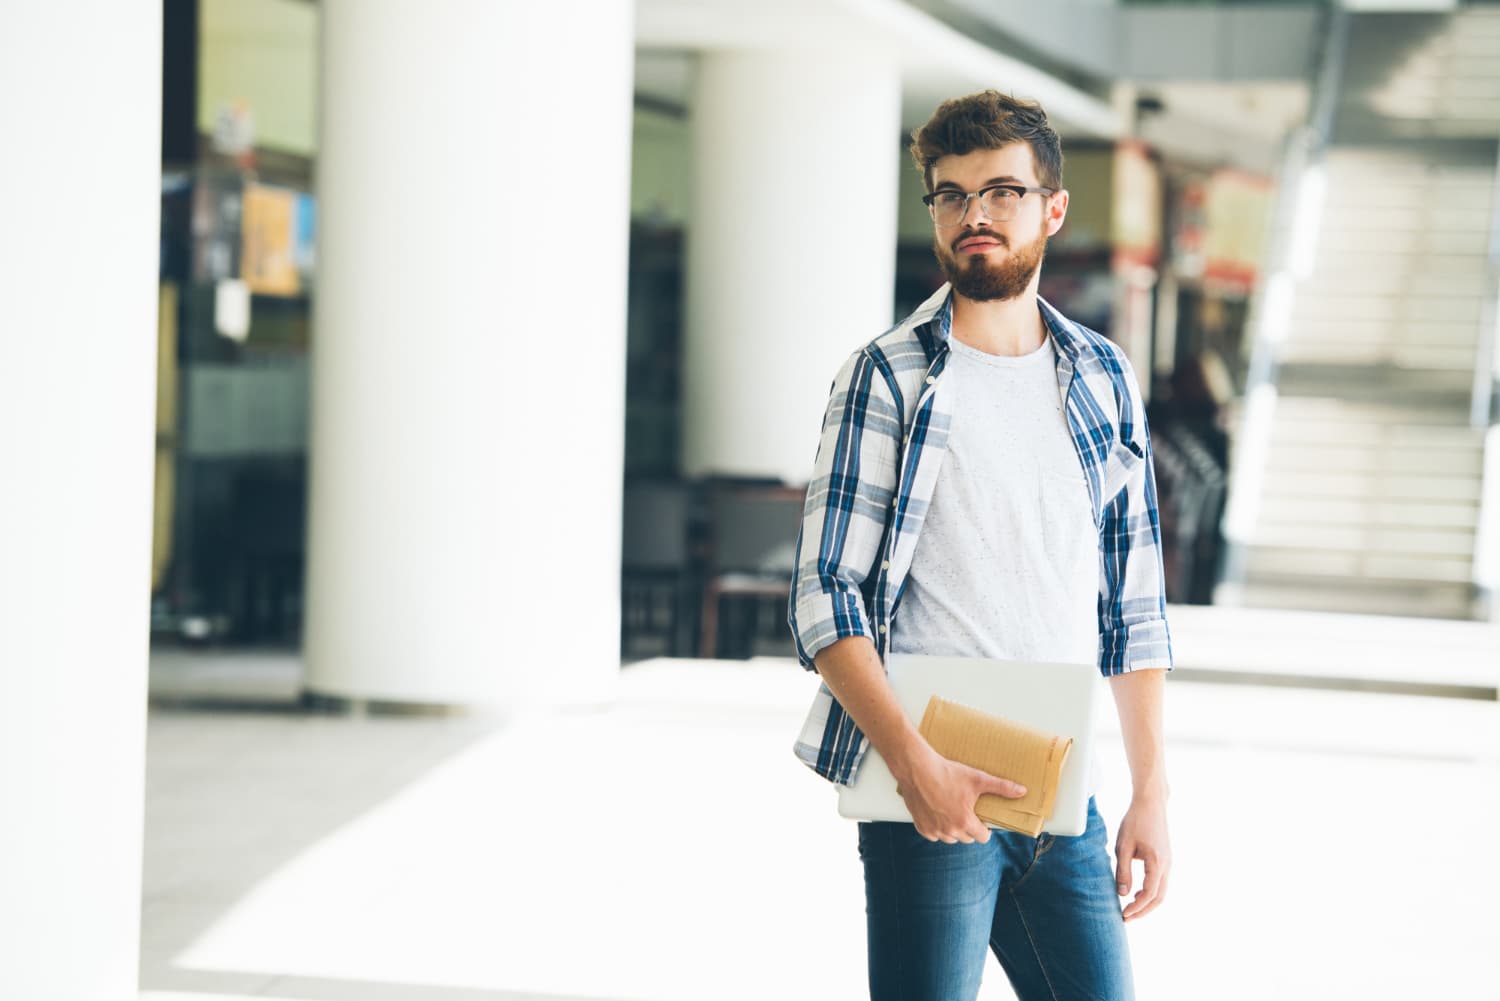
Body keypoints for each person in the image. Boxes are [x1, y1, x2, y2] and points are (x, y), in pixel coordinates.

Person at [786, 90, 1174, 1001]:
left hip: (1063, 794)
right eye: (952, 195)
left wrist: (1151, 791)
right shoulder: (888, 376)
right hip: (927, 788)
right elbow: (824, 594)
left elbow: (1134, 604)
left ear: (1053, 208)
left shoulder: (1103, 375)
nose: (976, 215)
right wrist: (914, 767)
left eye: (1002, 191)